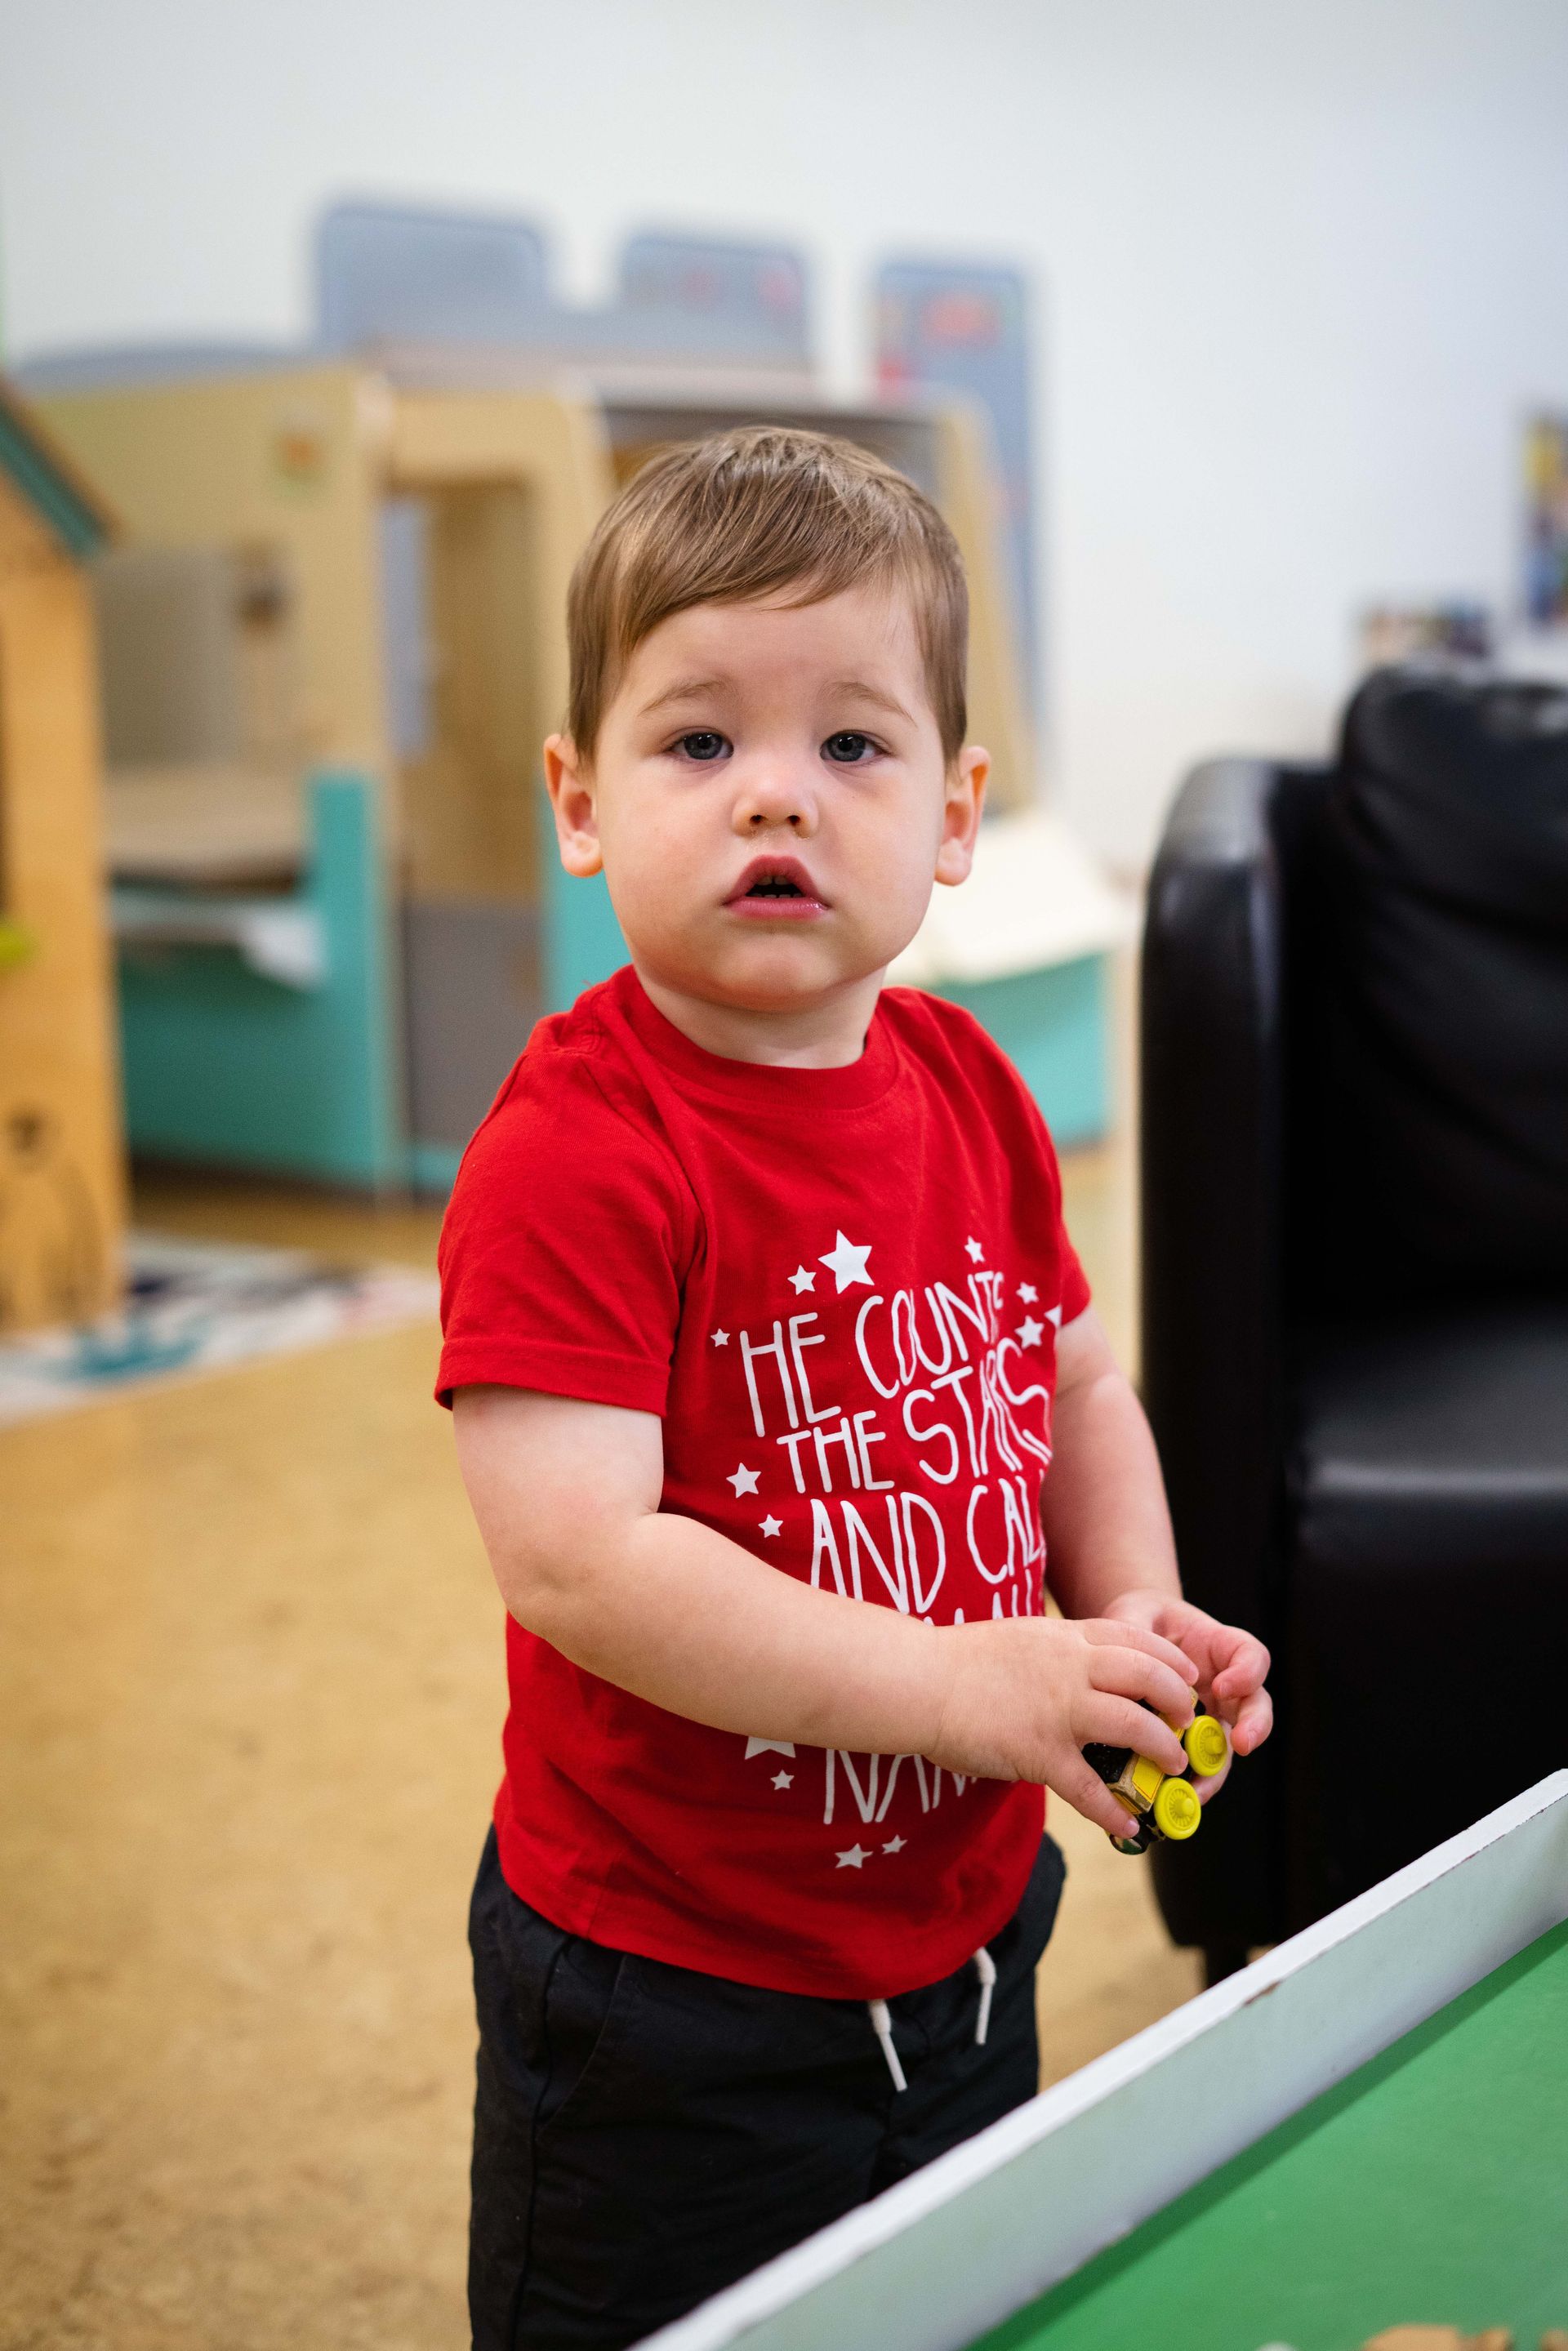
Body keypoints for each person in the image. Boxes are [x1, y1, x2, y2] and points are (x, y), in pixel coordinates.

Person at [437, 426, 1272, 2351]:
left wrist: (1126, 1613)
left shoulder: (976, 1088)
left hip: (971, 1941)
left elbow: (1071, 1384)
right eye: (699, 742)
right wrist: (978, 1686)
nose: (775, 804)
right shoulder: (582, 1146)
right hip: (672, 2005)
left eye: (854, 746)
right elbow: (575, 1562)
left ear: (959, 812)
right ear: (580, 797)